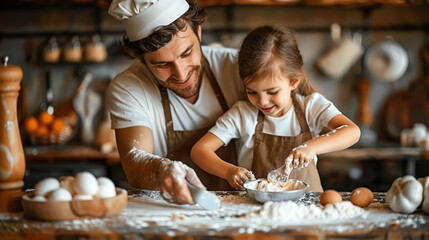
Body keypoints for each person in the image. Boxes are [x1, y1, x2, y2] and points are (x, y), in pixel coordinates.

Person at [106, 0, 246, 204]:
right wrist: (164, 170)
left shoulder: (236, 67)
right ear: (142, 59)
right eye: (162, 64)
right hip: (175, 213)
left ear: (198, 33)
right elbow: (135, 164)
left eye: (187, 53)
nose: (181, 74)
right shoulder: (128, 87)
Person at [191, 26, 361, 192]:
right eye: (251, 91)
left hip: (307, 209)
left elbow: (352, 131)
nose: (262, 101)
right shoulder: (243, 114)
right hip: (258, 209)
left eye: (272, 91)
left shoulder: (311, 107)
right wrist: (228, 171)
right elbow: (200, 150)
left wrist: (312, 147)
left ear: (293, 82)